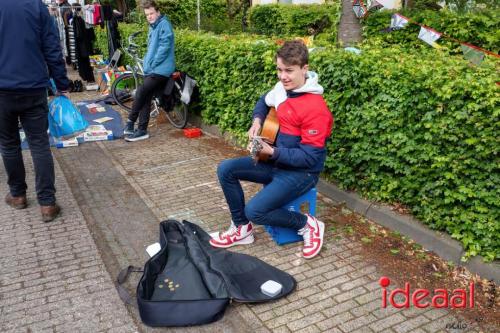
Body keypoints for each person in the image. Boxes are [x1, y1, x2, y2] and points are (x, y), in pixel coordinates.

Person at [210, 40, 334, 259]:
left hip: (301, 173)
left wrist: (273, 152)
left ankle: (308, 224)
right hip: (275, 162)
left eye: (289, 71)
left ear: (305, 69)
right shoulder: (281, 89)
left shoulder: (316, 109)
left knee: (255, 211)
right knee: (226, 169)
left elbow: (310, 157)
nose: (283, 76)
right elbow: (263, 102)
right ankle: (242, 229)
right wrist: (257, 121)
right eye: (279, 70)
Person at [0, 0, 70, 222]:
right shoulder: (36, 7)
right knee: (39, 145)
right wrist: (62, 84)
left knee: (9, 144)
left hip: (2, 91)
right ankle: (47, 203)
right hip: (33, 87)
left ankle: (18, 195)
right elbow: (52, 48)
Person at [123, 0, 175, 142]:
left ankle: (130, 122)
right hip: (153, 69)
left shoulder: (164, 24)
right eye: (147, 15)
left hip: (161, 70)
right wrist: (148, 62)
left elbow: (165, 46)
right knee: (145, 96)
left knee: (141, 91)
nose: (150, 17)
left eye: (151, 13)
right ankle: (142, 130)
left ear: (158, 12)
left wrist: (152, 62)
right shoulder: (153, 26)